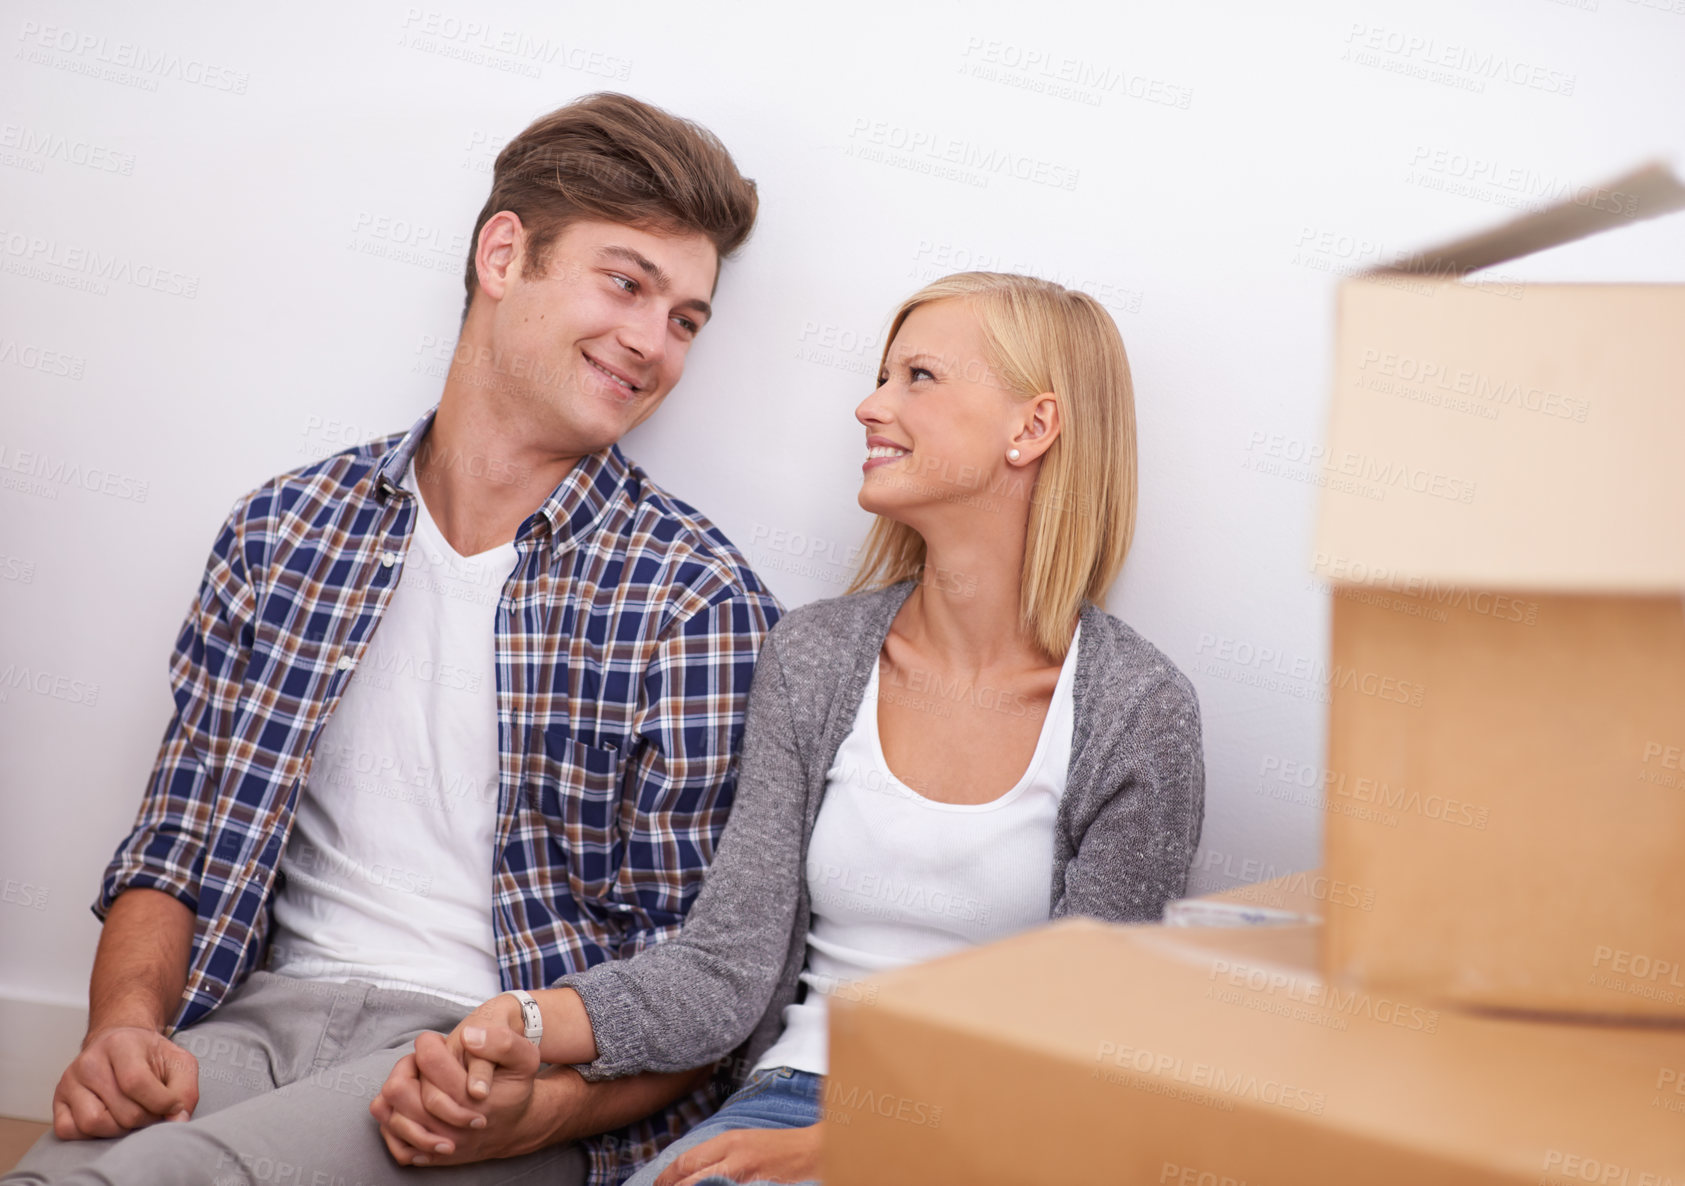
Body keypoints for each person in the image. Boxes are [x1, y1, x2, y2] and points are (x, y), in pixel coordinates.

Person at [4, 92, 782, 1186]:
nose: (652, 343)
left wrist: (528, 1112)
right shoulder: (286, 529)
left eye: (686, 318)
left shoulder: (694, 600)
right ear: (504, 254)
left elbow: (700, 984)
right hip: (250, 1022)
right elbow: (172, 845)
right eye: (625, 282)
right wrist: (124, 1029)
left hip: (480, 1068)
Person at [378, 271, 1206, 1185]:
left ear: (1031, 427)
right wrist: (528, 1020)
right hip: (781, 1101)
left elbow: (1090, 1043)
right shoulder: (813, 658)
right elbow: (722, 969)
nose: (870, 406)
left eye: (918, 378)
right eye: (880, 376)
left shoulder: (1137, 711)